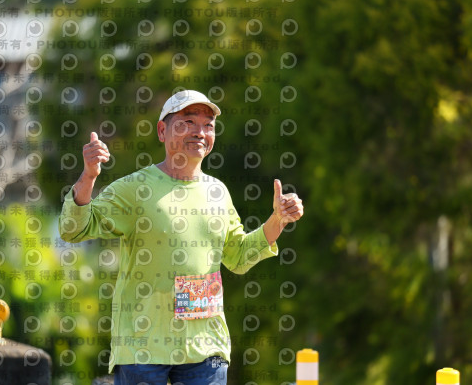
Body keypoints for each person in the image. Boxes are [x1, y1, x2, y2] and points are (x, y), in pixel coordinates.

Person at [58, 90, 303, 385]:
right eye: (187, 122)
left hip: (206, 348)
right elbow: (73, 229)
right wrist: (88, 176)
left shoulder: (218, 192)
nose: (199, 132)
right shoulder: (134, 188)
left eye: (208, 125)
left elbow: (238, 258)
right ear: (162, 131)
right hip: (143, 347)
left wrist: (277, 220)